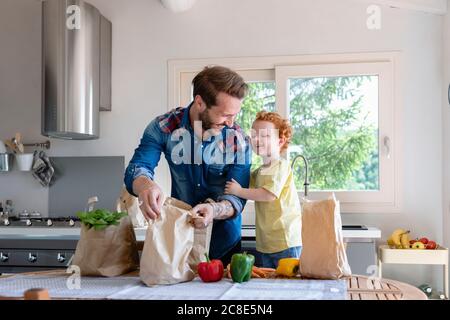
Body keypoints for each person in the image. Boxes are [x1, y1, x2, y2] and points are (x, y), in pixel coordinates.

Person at [124, 66, 251, 266]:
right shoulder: (163, 127)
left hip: (224, 245)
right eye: (225, 115)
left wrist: (214, 209)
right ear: (200, 102)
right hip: (179, 240)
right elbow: (138, 167)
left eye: (235, 114)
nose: (231, 123)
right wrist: (145, 186)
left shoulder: (238, 140)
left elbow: (237, 197)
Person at [224, 111, 302, 268]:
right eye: (254, 135)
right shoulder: (260, 171)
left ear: (280, 141)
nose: (257, 139)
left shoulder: (280, 166)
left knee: (289, 286)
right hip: (267, 243)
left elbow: (268, 195)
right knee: (270, 287)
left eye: (265, 135)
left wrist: (238, 191)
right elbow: (245, 181)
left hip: (285, 241)